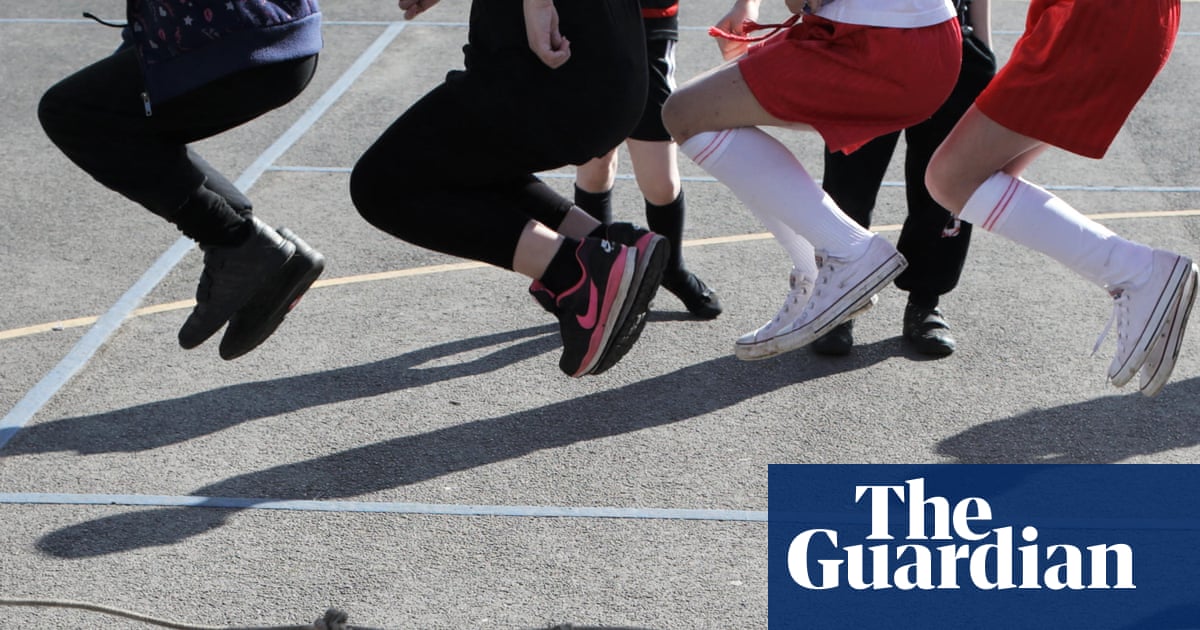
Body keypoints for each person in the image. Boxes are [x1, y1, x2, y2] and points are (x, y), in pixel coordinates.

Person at [350, 0, 668, 378]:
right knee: (462, 162)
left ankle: (579, 272)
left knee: (382, 183)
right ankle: (603, 241)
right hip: (606, 64)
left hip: (560, 70)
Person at [660, 0, 963, 361]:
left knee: (686, 113)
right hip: (903, 39)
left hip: (887, 43)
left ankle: (850, 252)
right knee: (702, 111)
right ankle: (815, 269)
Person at [924, 0, 1196, 397]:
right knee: (984, 179)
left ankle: (1138, 273)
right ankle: (1140, 281)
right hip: (1104, 20)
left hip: (1095, 20)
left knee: (951, 178)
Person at [37, 0, 326, 361]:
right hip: (269, 38)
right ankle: (265, 253)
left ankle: (239, 243)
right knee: (113, 116)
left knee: (71, 113)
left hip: (239, 46)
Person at [812, 0, 994, 357]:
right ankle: (839, 299)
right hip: (865, 43)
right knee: (849, 187)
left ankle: (925, 300)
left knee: (944, 186)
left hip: (949, 41)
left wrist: (982, 45)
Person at [574, 0, 722, 320]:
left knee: (661, 183)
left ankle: (671, 269)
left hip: (650, 26)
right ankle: (597, 273)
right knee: (595, 166)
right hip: (588, 25)